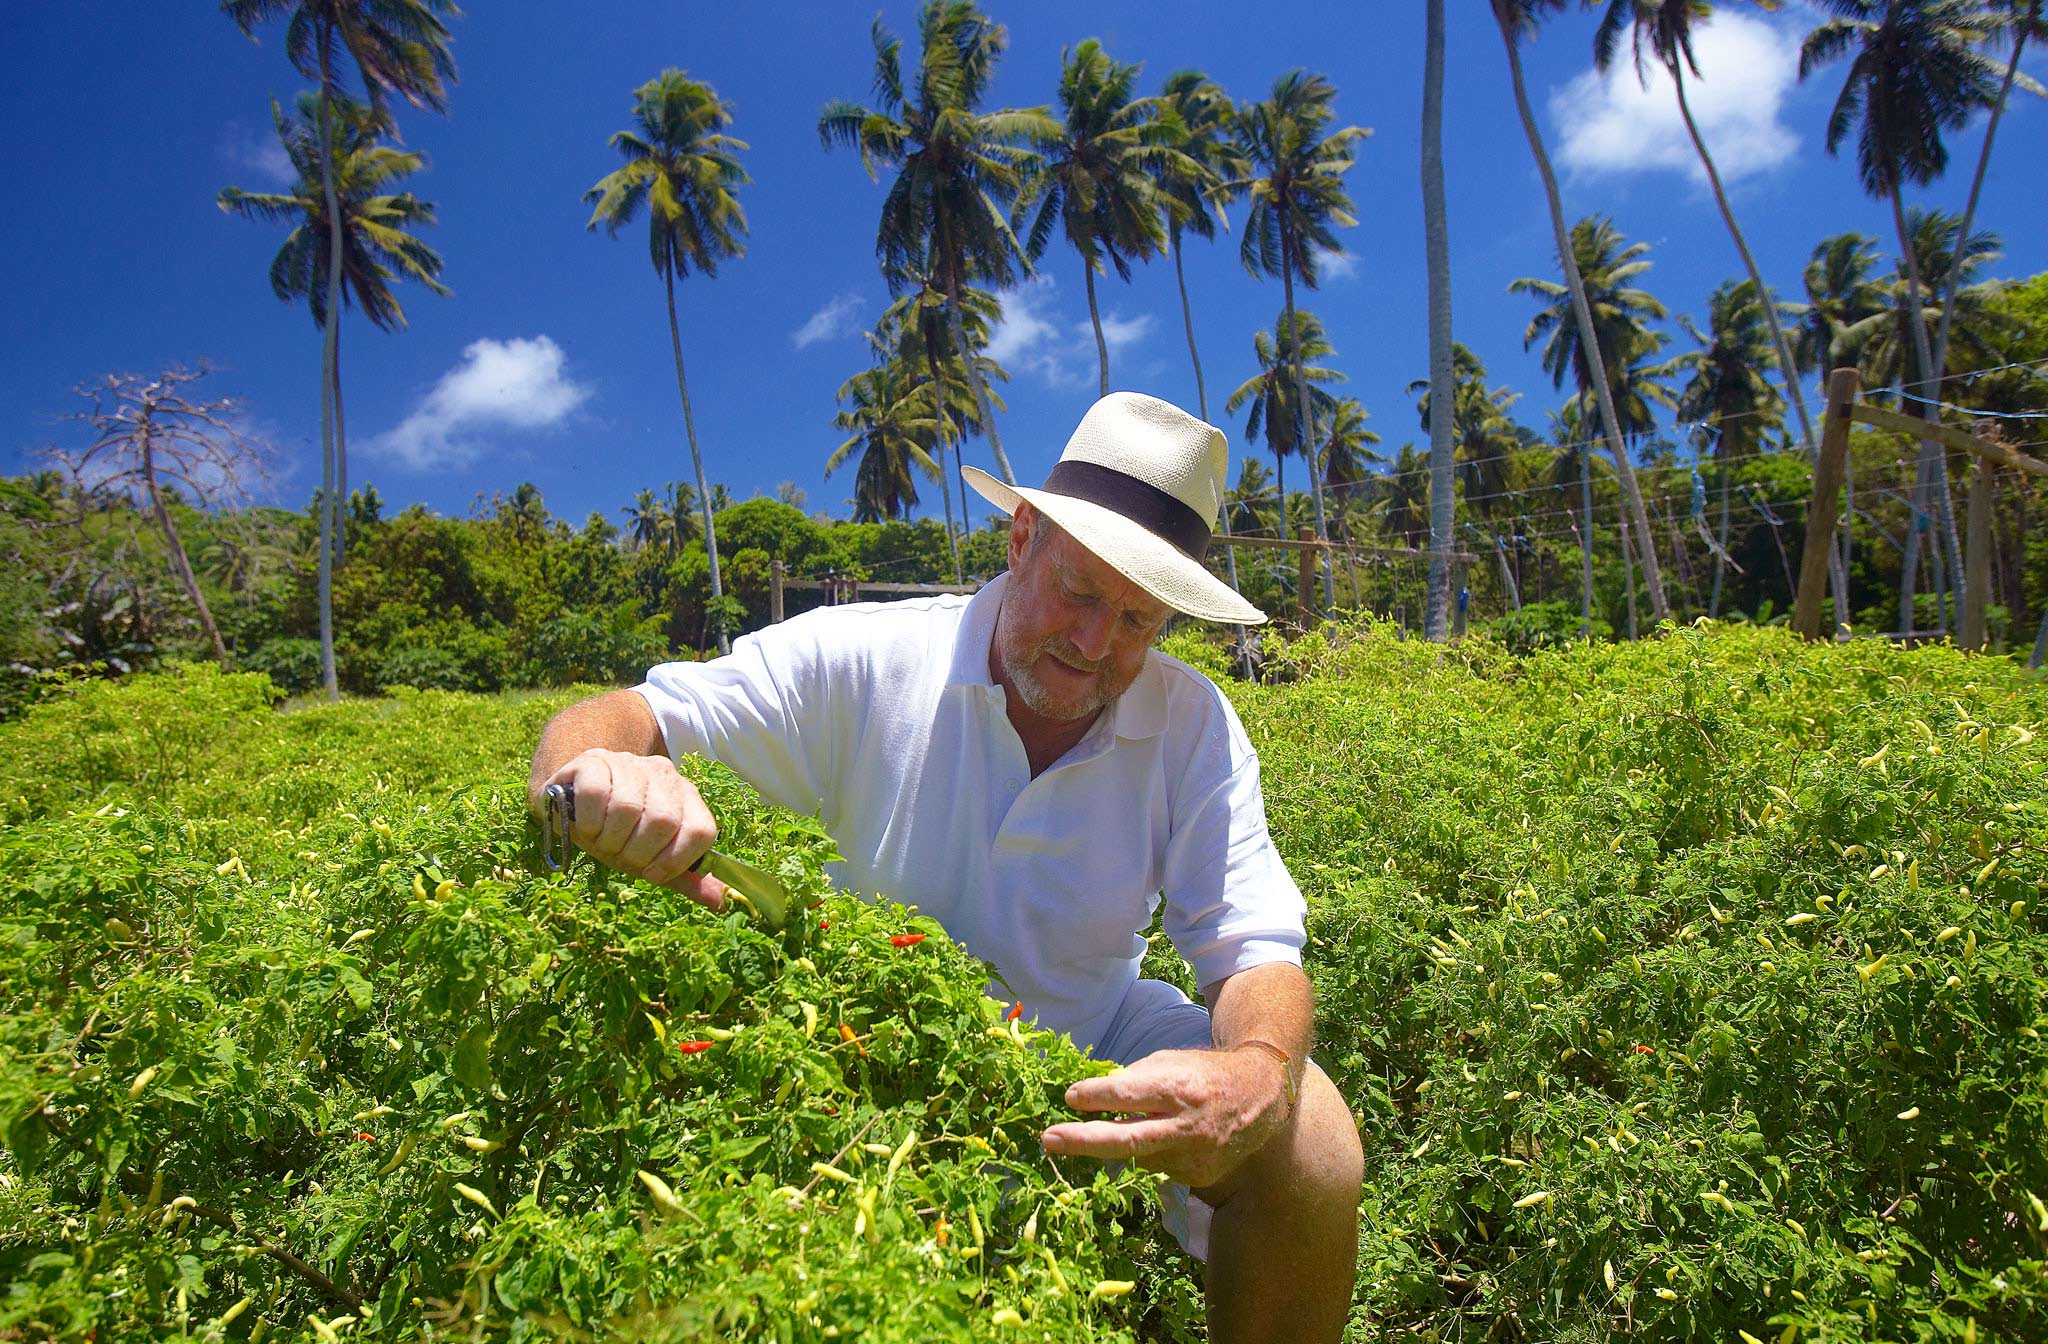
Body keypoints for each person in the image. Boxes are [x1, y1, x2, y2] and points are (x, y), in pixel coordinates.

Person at [527, 392, 1364, 1342]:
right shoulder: (868, 656)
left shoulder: (1194, 723)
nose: (1096, 646)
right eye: (1081, 594)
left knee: (1314, 1142)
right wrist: (603, 772)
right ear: (1022, 541)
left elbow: (1254, 949)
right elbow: (626, 716)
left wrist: (1257, 1072)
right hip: (859, 1040)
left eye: (1138, 621)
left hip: (1089, 1041)